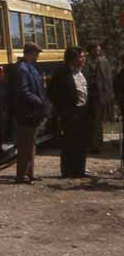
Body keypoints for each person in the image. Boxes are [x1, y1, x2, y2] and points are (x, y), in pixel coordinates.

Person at [49, 46, 89, 177]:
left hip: (83, 111)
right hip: (70, 112)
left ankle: (80, 170)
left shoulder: (82, 72)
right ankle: (68, 171)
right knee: (69, 142)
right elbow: (51, 92)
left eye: (83, 57)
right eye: (81, 57)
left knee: (82, 141)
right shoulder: (61, 73)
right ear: (73, 58)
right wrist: (62, 108)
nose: (83, 59)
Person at [15, 42, 48, 183]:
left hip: (33, 112)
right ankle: (21, 175)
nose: (38, 56)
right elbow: (23, 91)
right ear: (30, 53)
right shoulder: (22, 69)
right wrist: (38, 101)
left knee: (31, 144)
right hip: (27, 112)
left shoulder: (31, 68)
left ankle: (29, 173)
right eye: (36, 53)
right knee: (25, 145)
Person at [83, 42, 113, 154]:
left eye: (99, 50)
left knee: (97, 121)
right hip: (86, 95)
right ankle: (88, 144)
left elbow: (108, 79)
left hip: (99, 96)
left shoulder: (104, 62)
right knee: (87, 120)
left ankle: (97, 145)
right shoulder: (85, 61)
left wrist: (109, 95)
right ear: (90, 51)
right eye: (96, 50)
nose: (98, 52)